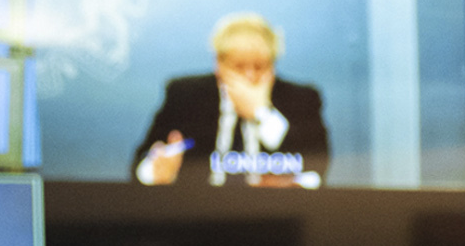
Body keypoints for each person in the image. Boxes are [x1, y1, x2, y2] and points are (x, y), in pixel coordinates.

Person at [134, 12, 328, 186]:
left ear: (273, 65)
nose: (250, 76)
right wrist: (156, 171)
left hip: (274, 214)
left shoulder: (302, 99)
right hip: (197, 216)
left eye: (260, 66)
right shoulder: (185, 96)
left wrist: (262, 113)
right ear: (219, 63)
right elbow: (139, 166)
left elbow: (318, 168)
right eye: (239, 67)